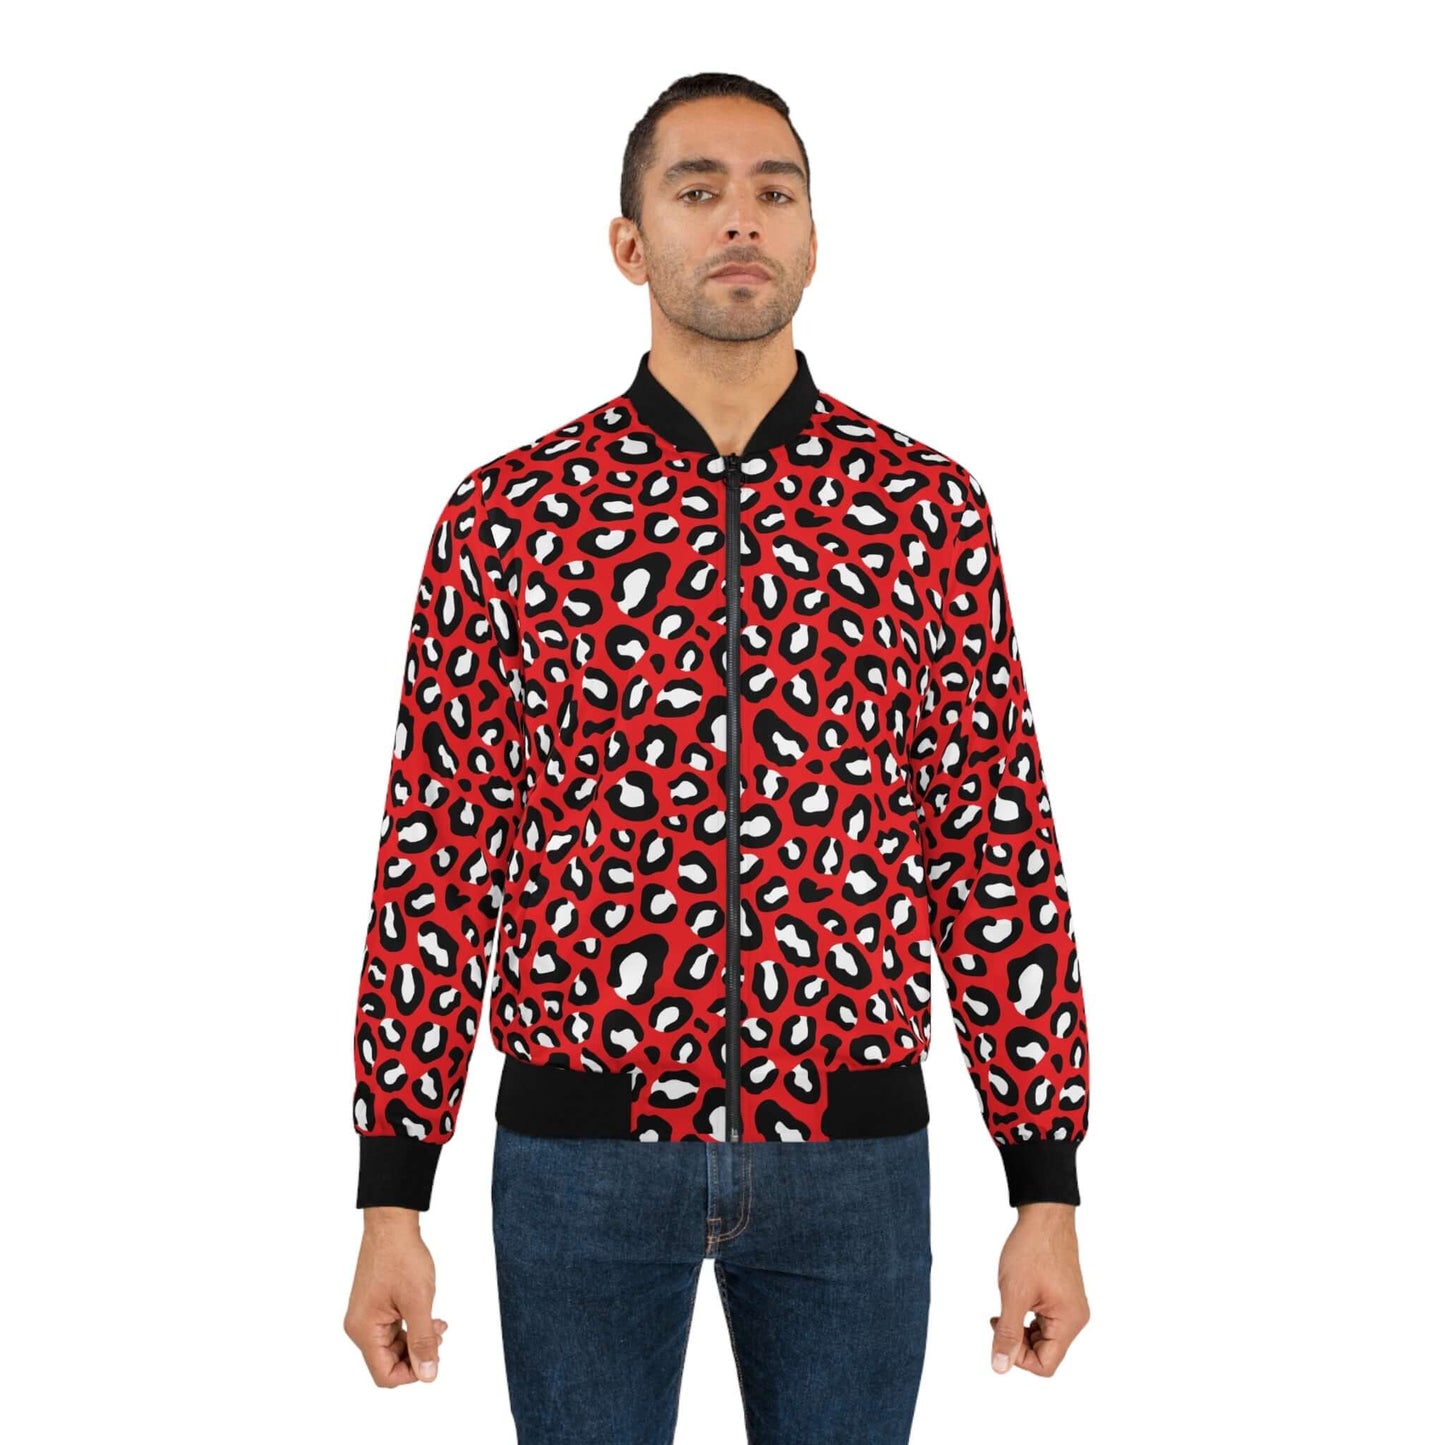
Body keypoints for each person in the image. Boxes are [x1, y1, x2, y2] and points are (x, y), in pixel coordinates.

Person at [344, 71, 1091, 1443]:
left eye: (772, 191)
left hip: (852, 1151)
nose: (740, 217)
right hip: (579, 1152)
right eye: (698, 190)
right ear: (630, 243)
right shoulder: (512, 516)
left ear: (812, 238)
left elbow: (992, 841)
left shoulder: (921, 509)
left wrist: (1043, 1182)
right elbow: (439, 853)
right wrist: (392, 1193)